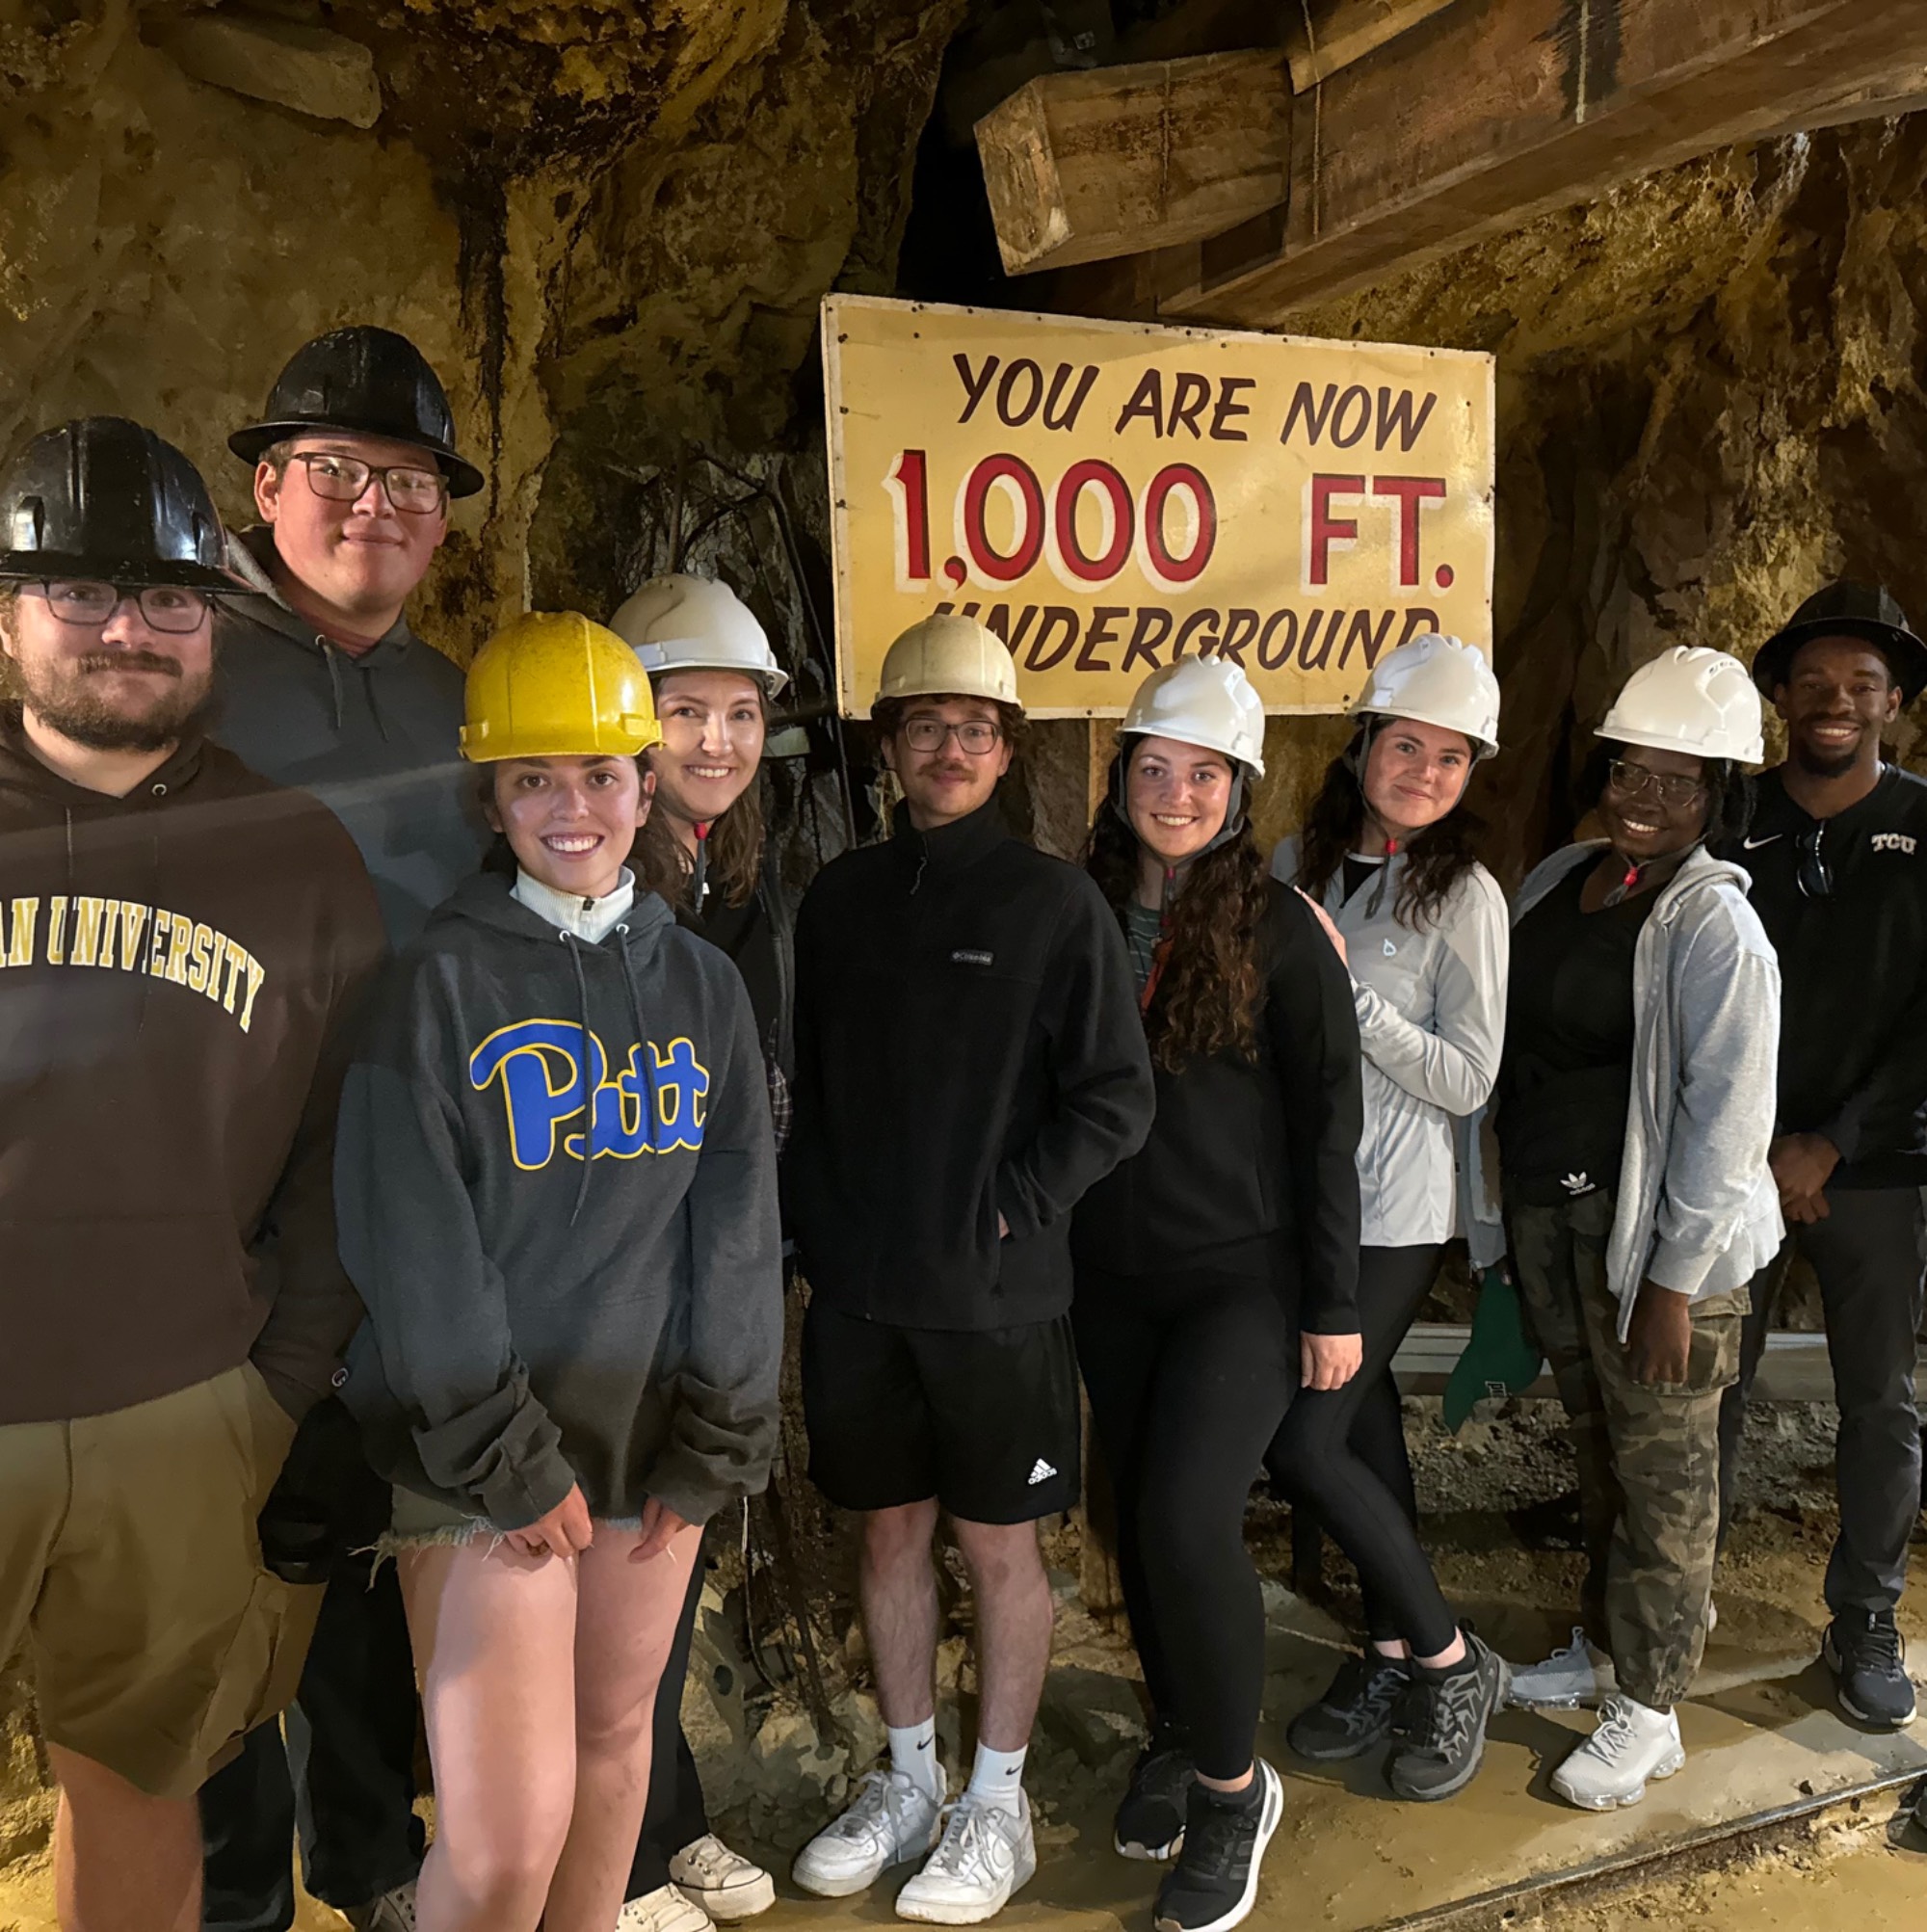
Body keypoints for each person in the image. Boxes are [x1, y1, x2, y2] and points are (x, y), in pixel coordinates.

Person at [333, 611, 783, 1932]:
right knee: (506, 1832)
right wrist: (502, 1453)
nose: (571, 807)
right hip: (486, 1466)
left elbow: (741, 1224)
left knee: (610, 1774)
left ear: (649, 786)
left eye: (600, 774)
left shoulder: (703, 987)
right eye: (536, 777)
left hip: (654, 1453)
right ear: (494, 796)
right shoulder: (434, 987)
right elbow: (414, 1246)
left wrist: (722, 1440)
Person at [0, 416, 384, 1932]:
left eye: (166, 595)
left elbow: (342, 1155)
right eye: (81, 589)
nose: (127, 626)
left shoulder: (296, 857)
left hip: (181, 1415)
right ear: (9, 610)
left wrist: (276, 1389)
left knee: (142, 1795)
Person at [786, 615, 1154, 1924]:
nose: (948, 748)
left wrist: (1018, 1204)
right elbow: (814, 1091)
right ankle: (906, 1776)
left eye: (974, 729)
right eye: (924, 725)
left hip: (998, 1299)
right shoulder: (837, 900)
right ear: (891, 746)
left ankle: (994, 1800)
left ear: (1006, 754)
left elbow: (1116, 1096)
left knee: (1001, 1546)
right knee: (884, 1529)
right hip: (863, 1296)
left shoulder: (1055, 905)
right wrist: (815, 1231)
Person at [200, 324, 490, 1932]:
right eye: (341, 473)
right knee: (235, 1584)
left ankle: (370, 1867)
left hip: (411, 1212)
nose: (379, 505)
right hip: (226, 1221)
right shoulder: (184, 670)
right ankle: (234, 1902)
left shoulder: (457, 701)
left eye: (410, 483)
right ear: (268, 484)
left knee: (376, 1561)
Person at [1069, 657, 1360, 1930]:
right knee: (1136, 1522)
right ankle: (1179, 1732)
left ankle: (1235, 1788)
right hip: (1110, 1280)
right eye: (1153, 767)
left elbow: (1327, 1125)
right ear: (1120, 774)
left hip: (1240, 1281)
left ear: (1240, 789)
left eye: (1202, 773)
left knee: (1190, 1517)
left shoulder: (1284, 931)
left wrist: (1333, 1303)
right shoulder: (1075, 910)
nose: (1174, 792)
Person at [1480, 647, 1782, 1809]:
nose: (1642, 799)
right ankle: (1605, 1650)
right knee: (1599, 1452)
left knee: (1667, 1475)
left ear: (1720, 794)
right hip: (1562, 1222)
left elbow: (1725, 1119)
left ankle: (1650, 1708)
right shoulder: (1564, 876)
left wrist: (1671, 1280)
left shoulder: (1713, 929)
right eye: (1628, 770)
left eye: (1678, 781)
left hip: (1660, 1248)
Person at [1268, 634, 1511, 1797]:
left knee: (1304, 1435)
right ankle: (1386, 1651)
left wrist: (1344, 996)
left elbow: (1468, 1078)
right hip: (1295, 1202)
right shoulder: (1292, 862)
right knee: (1363, 1437)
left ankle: (1453, 1657)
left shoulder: (1463, 894)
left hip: (1397, 1208)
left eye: (1450, 757)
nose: (1422, 770)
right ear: (1361, 742)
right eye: (1405, 744)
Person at [603, 570, 793, 1932]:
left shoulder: (733, 880)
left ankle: (662, 1823)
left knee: (666, 1574)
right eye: (686, 712)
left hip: (700, 1288)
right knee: (607, 1586)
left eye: (738, 713)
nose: (714, 742)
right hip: (605, 1300)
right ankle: (602, 1870)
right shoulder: (595, 879)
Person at [1714, 581, 1927, 1730]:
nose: (1833, 701)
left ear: (1892, 703)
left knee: (1876, 1403)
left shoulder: (1922, 822)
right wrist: (1751, 1144)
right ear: (1779, 699)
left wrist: (1830, 1141)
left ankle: (1863, 1612)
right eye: (1812, 683)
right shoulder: (1723, 817)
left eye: (1859, 684)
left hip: (1877, 1163)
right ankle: (1667, 1602)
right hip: (1729, 1161)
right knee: (1706, 1388)